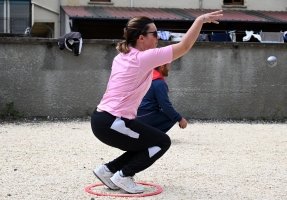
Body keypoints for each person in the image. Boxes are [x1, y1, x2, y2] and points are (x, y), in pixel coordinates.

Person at [91, 10, 223, 194]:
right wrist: (200, 20)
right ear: (141, 38)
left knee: (147, 142)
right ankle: (124, 176)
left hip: (103, 120)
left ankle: (107, 171)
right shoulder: (143, 58)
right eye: (155, 34)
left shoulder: (122, 57)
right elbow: (184, 47)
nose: (158, 37)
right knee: (161, 142)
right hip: (113, 122)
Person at [136, 63, 187, 133]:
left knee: (169, 114)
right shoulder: (159, 83)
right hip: (146, 114)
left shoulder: (146, 78)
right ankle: (152, 135)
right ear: (162, 67)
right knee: (172, 117)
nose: (169, 69)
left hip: (135, 115)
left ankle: (145, 132)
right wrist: (180, 119)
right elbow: (165, 105)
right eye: (168, 66)